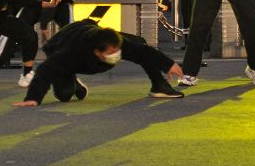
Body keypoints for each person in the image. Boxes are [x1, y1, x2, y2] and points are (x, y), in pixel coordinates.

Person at [13, 20, 185, 106]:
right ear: (97, 52)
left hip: (90, 29)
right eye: (111, 53)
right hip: (62, 44)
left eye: (117, 50)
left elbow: (145, 53)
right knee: (64, 95)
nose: (116, 55)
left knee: (140, 49)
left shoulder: (118, 44)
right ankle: (73, 82)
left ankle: (159, 86)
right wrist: (33, 98)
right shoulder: (71, 53)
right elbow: (45, 70)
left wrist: (169, 64)